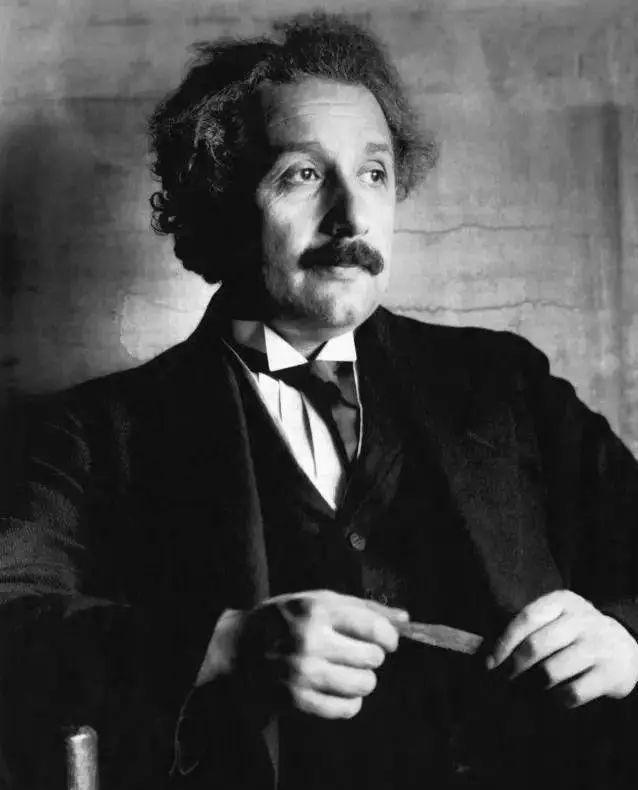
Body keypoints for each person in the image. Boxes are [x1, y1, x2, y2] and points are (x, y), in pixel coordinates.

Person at [1, 11, 638, 790]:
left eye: (374, 174)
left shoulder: (502, 383)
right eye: (303, 175)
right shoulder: (95, 434)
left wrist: (626, 639)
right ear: (219, 198)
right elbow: (12, 619)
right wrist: (226, 645)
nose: (353, 216)